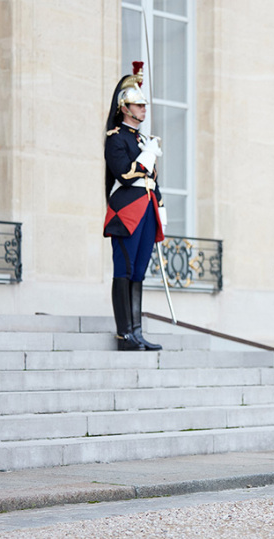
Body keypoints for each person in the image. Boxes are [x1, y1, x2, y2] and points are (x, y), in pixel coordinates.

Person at [103, 62, 165, 352]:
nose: (143, 109)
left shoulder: (142, 140)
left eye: (143, 104)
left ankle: (136, 332)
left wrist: (160, 204)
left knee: (139, 270)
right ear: (124, 108)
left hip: (147, 208)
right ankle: (123, 334)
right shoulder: (116, 138)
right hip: (127, 211)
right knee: (125, 269)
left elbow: (152, 180)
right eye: (138, 105)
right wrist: (146, 158)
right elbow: (125, 174)